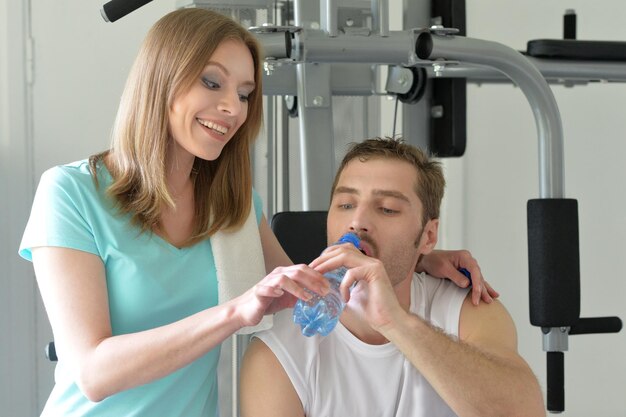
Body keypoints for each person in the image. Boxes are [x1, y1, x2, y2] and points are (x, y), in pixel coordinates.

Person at [17, 9, 494, 417]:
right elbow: (94, 372)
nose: (232, 108)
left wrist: (412, 256)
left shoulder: (234, 205)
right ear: (162, 79)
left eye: (245, 93)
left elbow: (304, 287)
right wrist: (234, 313)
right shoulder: (71, 193)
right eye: (212, 82)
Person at [240, 137, 545, 417]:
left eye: (387, 209)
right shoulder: (281, 350)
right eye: (346, 205)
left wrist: (394, 321)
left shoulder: (467, 310)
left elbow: (525, 412)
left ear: (428, 236)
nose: (357, 222)